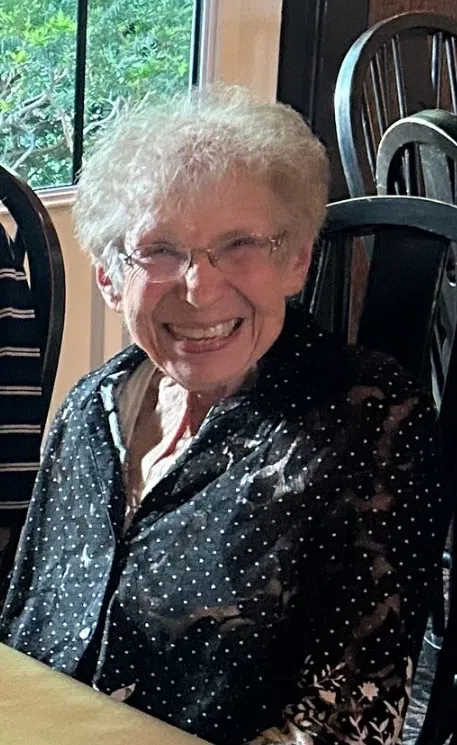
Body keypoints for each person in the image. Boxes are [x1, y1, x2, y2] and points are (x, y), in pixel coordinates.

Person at [0, 85, 447, 745]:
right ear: (109, 277)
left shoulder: (367, 423)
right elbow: (23, 628)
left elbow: (343, 725)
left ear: (296, 259)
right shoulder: (93, 407)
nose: (199, 288)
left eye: (240, 244)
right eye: (159, 250)